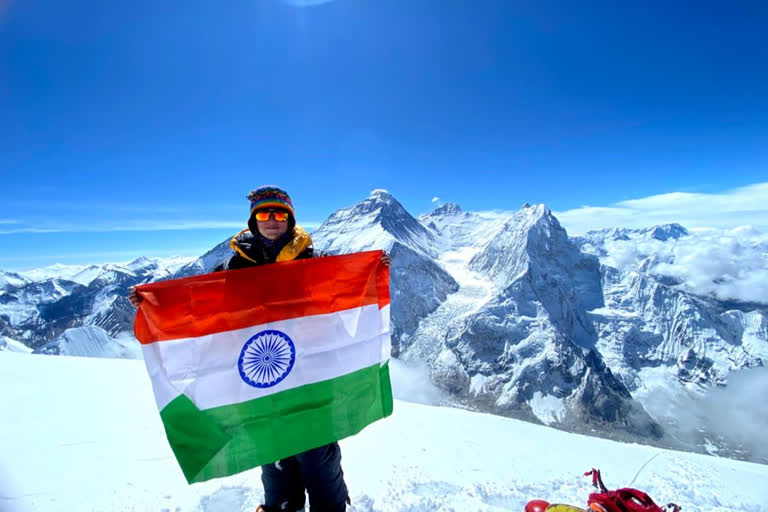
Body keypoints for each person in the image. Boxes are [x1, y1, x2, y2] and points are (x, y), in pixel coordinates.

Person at [130, 185, 390, 512]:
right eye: (263, 214)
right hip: (262, 382)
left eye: (279, 213)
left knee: (318, 456)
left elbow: (342, 291)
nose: (271, 220)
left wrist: (373, 268)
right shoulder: (233, 268)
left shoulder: (313, 262)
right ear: (253, 220)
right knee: (275, 455)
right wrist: (153, 304)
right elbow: (200, 310)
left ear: (290, 220)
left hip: (310, 378)